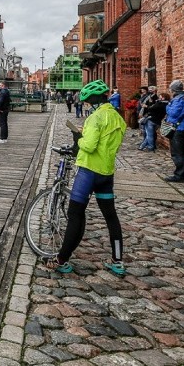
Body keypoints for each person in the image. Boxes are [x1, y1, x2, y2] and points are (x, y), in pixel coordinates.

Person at [45, 80, 127, 277]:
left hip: (88, 171)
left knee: (76, 216)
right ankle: (117, 261)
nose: (88, 104)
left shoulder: (95, 118)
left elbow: (89, 146)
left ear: (93, 100)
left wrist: (78, 137)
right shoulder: (117, 118)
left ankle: (61, 260)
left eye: (89, 101)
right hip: (106, 173)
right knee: (111, 217)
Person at [165, 79, 184, 182]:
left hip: (178, 128)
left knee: (177, 152)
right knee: (182, 152)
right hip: (182, 127)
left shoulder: (179, 99)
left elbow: (173, 113)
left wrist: (168, 106)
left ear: (173, 89)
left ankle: (180, 175)